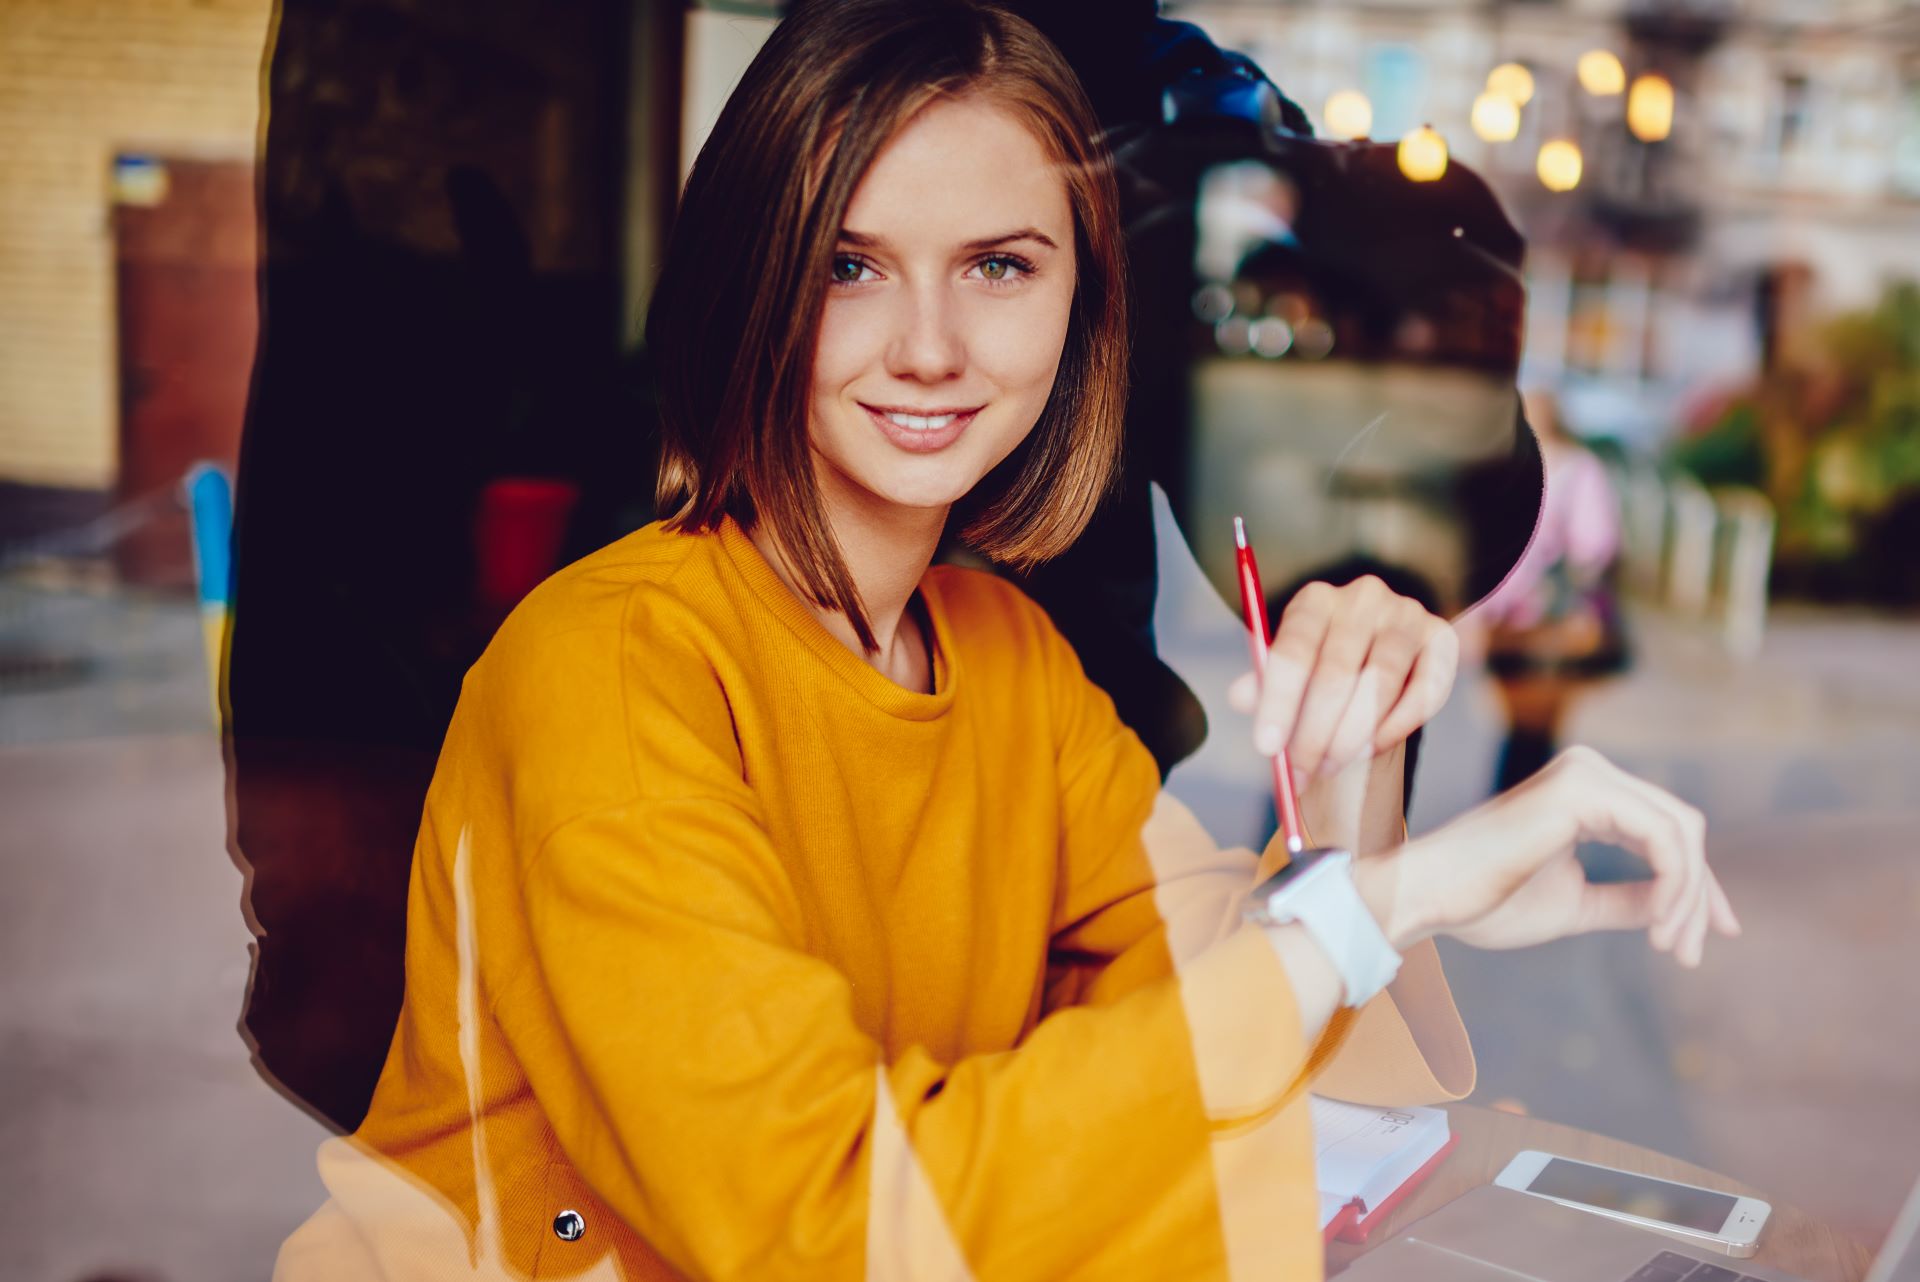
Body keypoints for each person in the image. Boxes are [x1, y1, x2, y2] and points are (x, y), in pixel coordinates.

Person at [275, 4, 1735, 1277]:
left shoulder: (1004, 654)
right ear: (748, 285)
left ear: (1081, 304)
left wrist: (1367, 815)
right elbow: (825, 1219)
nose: (928, 345)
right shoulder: (601, 669)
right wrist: (1374, 909)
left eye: (999, 265)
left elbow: (1217, 1024)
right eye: (850, 265)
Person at [1472, 388, 1630, 793]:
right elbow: (1595, 545)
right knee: (1536, 728)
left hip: (1508, 618)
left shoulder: (1507, 465)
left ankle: (1510, 807)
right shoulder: (1578, 469)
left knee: (1520, 726)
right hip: (1544, 620)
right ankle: (1524, 810)